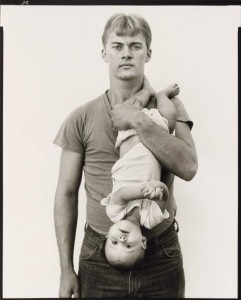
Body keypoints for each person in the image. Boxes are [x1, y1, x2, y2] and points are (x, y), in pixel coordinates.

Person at [54, 13, 198, 298]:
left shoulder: (170, 107)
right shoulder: (81, 117)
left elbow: (188, 166)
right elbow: (66, 194)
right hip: (98, 254)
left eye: (135, 45)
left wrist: (137, 119)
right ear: (104, 53)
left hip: (160, 252)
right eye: (118, 46)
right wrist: (65, 268)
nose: (126, 53)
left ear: (148, 52)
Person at [102, 80, 180, 270]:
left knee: (126, 109)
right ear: (143, 242)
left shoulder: (114, 213)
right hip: (155, 138)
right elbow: (164, 197)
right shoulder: (150, 220)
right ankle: (161, 96)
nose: (121, 239)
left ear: (107, 235)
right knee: (169, 117)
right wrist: (159, 190)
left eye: (113, 242)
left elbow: (121, 193)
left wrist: (144, 192)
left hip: (129, 137)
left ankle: (146, 91)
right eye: (128, 245)